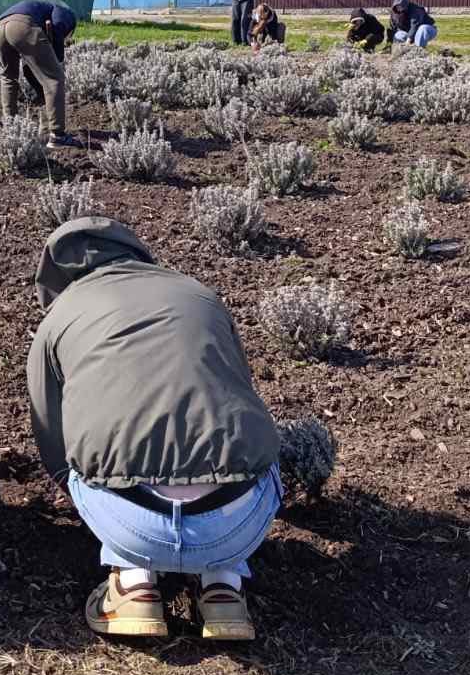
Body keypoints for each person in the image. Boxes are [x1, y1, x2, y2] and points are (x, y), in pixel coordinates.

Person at [27, 217, 282, 641]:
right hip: (237, 524)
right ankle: (223, 587)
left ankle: (133, 584)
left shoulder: (60, 316)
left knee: (91, 454)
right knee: (250, 445)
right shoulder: (200, 295)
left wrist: (79, 493)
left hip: (131, 523)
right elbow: (241, 390)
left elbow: (50, 432)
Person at [0, 0, 80, 149]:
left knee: (8, 78)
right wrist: (58, 62)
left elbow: (31, 67)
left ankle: (10, 128)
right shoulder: (68, 15)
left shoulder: (43, 11)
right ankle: (58, 136)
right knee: (54, 79)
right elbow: (58, 29)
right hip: (22, 26)